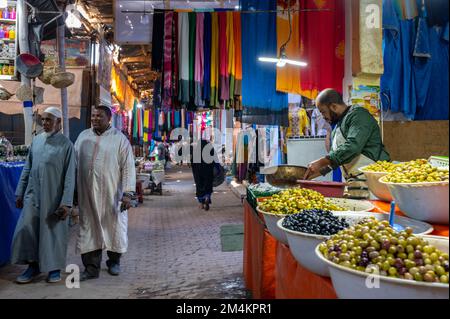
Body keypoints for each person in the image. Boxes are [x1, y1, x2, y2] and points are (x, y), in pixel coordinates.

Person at [11, 106, 76, 284]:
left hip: (54, 198)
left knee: (52, 232)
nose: (45, 123)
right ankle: (33, 266)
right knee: (28, 229)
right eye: (43, 120)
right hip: (33, 195)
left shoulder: (66, 145)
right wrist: (19, 192)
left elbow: (70, 177)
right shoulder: (37, 141)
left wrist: (66, 203)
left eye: (49, 120)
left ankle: (53, 268)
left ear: (59, 123)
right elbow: (27, 168)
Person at [74, 105, 136, 281]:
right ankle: (91, 268)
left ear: (109, 119)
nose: (94, 119)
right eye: (93, 116)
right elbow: (75, 163)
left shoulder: (120, 139)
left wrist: (128, 193)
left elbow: (128, 168)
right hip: (87, 194)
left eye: (99, 116)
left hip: (111, 194)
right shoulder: (83, 136)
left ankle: (114, 262)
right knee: (89, 229)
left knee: (114, 228)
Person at [304, 89, 390, 196]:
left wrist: (321, 162)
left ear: (334, 106)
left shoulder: (359, 116)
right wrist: (310, 176)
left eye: (323, 112)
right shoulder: (338, 127)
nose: (323, 117)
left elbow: (353, 147)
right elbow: (335, 161)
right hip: (356, 183)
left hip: (373, 183)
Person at [190, 139, 216, 211]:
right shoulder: (210, 150)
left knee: (199, 186)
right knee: (208, 185)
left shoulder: (196, 151)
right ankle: (207, 197)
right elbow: (214, 160)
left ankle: (201, 204)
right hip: (208, 172)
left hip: (198, 173)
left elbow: (192, 163)